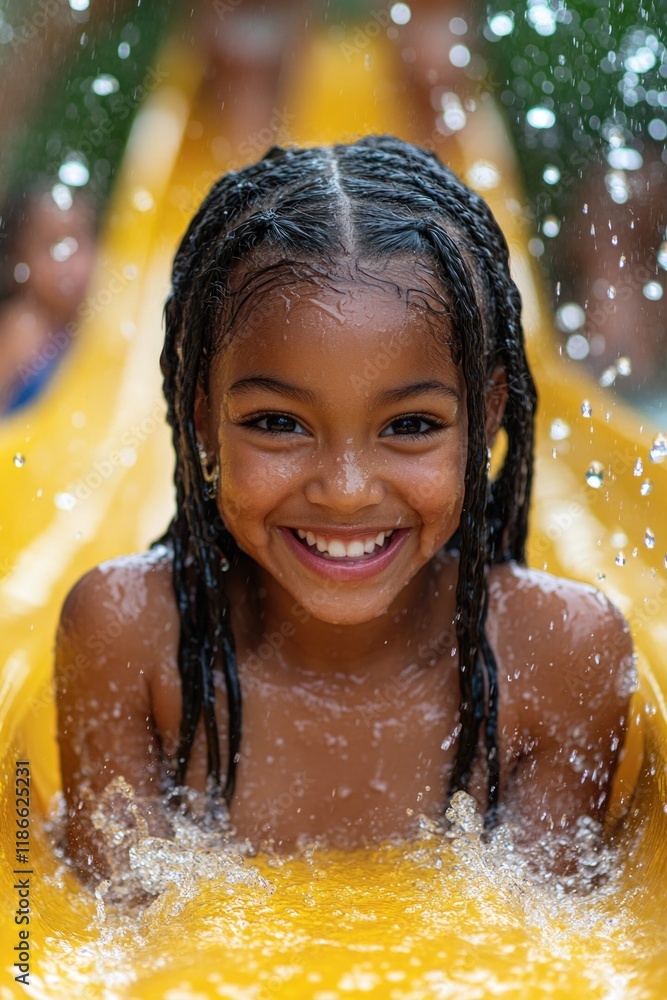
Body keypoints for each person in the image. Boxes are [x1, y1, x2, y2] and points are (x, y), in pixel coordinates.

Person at [55, 136, 635, 882]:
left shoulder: (557, 655)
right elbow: (101, 956)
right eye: (277, 423)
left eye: (410, 426)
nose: (346, 488)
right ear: (200, 418)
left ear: (487, 419)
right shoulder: (129, 639)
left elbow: (554, 975)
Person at [0, 183, 97, 415]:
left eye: (77, 241)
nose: (70, 263)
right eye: (52, 246)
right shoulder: (25, 325)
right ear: (18, 261)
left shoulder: (94, 319)